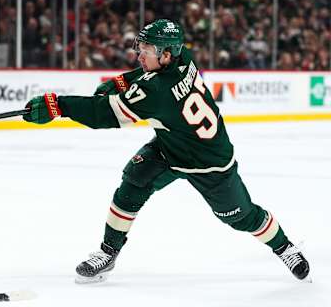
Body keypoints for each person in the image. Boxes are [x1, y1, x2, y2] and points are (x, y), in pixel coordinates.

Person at [22, 19, 310, 284]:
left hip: (209, 163)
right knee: (132, 186)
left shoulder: (156, 91)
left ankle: (284, 247)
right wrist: (123, 82)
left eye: (147, 49)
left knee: (240, 217)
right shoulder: (183, 58)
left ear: (166, 54)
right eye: (142, 47)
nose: (140, 54)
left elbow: (104, 115)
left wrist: (58, 105)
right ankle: (108, 252)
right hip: (171, 147)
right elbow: (145, 76)